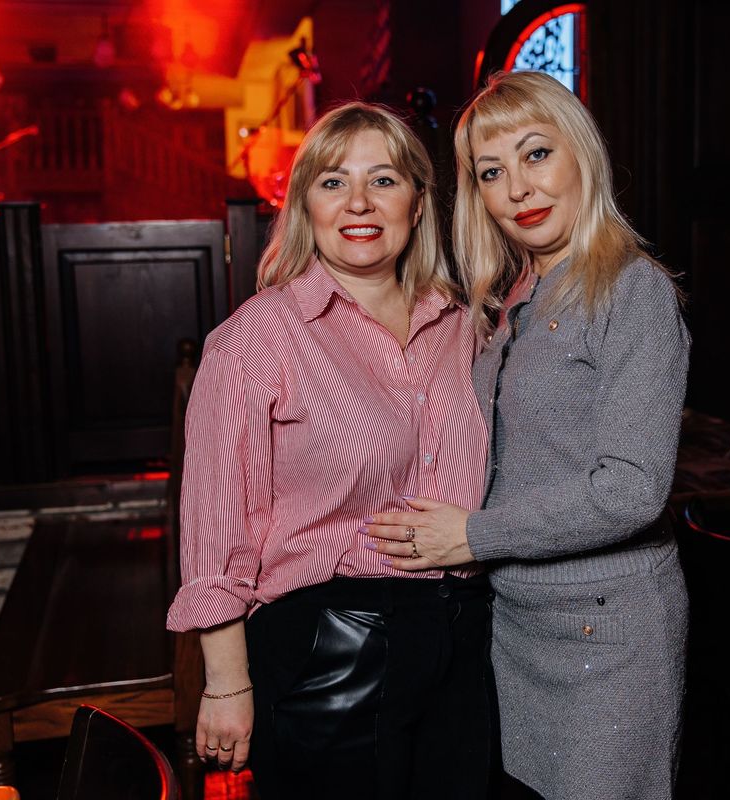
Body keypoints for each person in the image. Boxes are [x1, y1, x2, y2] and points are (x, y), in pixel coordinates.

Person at [365, 71, 691, 800]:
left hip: (606, 632)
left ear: (582, 154)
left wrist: (472, 535)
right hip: (517, 625)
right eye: (491, 171)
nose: (518, 187)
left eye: (536, 154)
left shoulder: (631, 288)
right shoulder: (517, 293)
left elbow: (632, 490)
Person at [166, 101, 492, 799]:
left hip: (465, 641)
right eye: (333, 182)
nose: (359, 203)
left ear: (417, 202)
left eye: (383, 180)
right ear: (304, 205)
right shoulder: (260, 336)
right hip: (331, 651)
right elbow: (216, 526)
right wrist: (226, 684)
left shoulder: (464, 327)